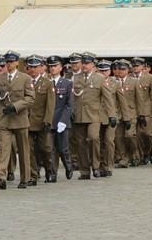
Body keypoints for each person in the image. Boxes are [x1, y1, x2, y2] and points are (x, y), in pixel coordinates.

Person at [0, 50, 35, 189]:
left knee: (23, 151)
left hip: (19, 118)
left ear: (17, 62)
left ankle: (25, 178)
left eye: (11, 62)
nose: (9, 64)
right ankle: (1, 177)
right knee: (3, 149)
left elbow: (30, 98)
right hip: (4, 118)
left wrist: (16, 106)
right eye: (7, 62)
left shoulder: (25, 78)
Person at [71, 52, 115, 180]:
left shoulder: (100, 78)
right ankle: (84, 171)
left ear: (93, 65)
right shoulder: (75, 78)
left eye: (87, 63)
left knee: (93, 137)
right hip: (79, 115)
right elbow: (71, 98)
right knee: (80, 143)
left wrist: (112, 115)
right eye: (83, 63)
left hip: (95, 115)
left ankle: (96, 166)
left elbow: (108, 99)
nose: (84, 65)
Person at [25, 55, 55, 186]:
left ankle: (49, 170)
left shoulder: (47, 83)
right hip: (27, 121)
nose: (32, 69)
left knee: (46, 148)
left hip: (42, 121)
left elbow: (50, 104)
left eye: (35, 67)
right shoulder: (24, 81)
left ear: (41, 68)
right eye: (30, 67)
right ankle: (33, 175)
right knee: (29, 149)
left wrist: (48, 121)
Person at [113, 59, 146, 168]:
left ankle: (135, 156)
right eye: (119, 69)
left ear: (128, 70)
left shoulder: (134, 81)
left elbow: (139, 99)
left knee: (130, 135)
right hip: (118, 113)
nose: (121, 71)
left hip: (131, 113)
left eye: (123, 69)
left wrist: (142, 115)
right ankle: (124, 159)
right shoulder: (113, 81)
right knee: (118, 138)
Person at [46, 55, 74, 182]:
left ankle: (68, 166)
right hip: (49, 120)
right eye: (50, 66)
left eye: (55, 66)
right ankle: (53, 173)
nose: (52, 68)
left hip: (61, 119)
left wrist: (63, 121)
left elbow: (69, 105)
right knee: (50, 149)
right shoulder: (45, 82)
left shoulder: (67, 83)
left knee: (63, 149)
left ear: (61, 67)